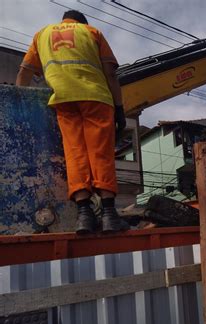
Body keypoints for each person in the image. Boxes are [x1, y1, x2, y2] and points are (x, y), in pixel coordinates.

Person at [16, 10, 128, 234]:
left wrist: (21, 103)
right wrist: (119, 108)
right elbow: (111, 74)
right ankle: (108, 215)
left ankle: (84, 215)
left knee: (74, 153)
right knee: (100, 153)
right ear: (81, 22)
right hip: (96, 98)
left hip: (64, 99)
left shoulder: (41, 35)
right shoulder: (91, 32)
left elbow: (24, 72)